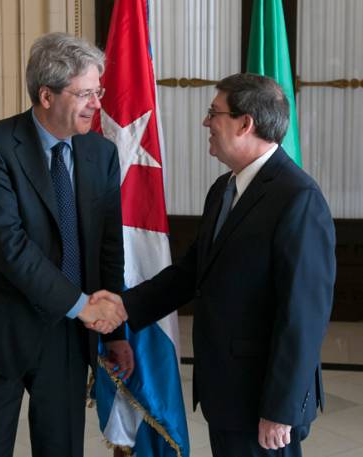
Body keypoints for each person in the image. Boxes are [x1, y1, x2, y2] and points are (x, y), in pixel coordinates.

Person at [90, 73, 336, 457]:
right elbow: (191, 273)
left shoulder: (298, 198)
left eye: (214, 113)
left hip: (263, 402)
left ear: (245, 123)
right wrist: (122, 308)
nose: (206, 122)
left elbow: (304, 317)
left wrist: (280, 410)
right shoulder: (224, 190)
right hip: (226, 393)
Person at [0, 32, 131, 457]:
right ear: (47, 95)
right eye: (85, 93)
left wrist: (115, 331)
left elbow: (109, 247)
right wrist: (82, 305)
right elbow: (8, 246)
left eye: (98, 91)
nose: (97, 103)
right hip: (1, 331)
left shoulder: (100, 153)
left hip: (68, 335)